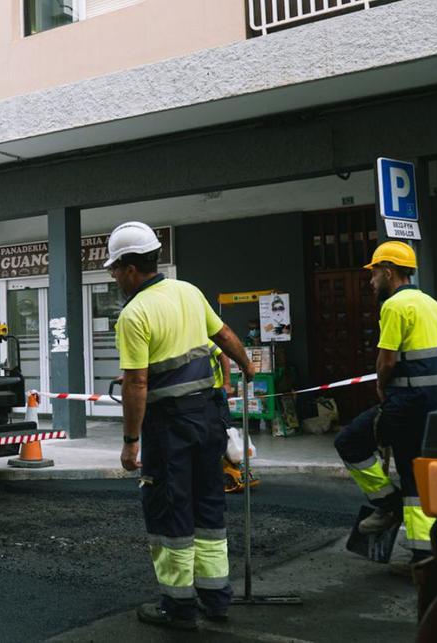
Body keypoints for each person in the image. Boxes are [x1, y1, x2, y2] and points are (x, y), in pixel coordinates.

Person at [107, 222, 254, 631]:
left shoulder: (134, 314)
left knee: (171, 510)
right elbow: (222, 335)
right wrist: (246, 364)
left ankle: (179, 607)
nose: (115, 277)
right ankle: (216, 597)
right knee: (208, 505)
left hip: (168, 427)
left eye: (115, 269)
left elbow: (138, 383)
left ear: (131, 267)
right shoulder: (188, 291)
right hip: (208, 419)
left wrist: (130, 443)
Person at [334, 241, 437, 562]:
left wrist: (382, 389)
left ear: (388, 272)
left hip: (407, 403)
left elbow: (386, 361)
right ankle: (425, 559)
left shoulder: (394, 307)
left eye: (374, 274)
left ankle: (387, 503)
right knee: (417, 475)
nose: (371, 282)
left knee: (349, 441)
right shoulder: (433, 305)